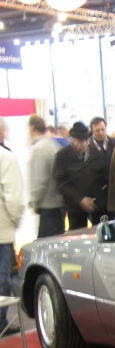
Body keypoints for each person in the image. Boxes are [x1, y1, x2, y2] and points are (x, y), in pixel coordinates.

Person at [54, 122, 109, 230]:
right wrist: (80, 199)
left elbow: (103, 176)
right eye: (80, 141)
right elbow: (62, 183)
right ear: (72, 139)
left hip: (97, 206)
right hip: (75, 208)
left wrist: (98, 197)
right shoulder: (62, 156)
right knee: (77, 237)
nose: (84, 144)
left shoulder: (96, 153)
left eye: (86, 140)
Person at [0, 136, 23, 334]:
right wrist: (16, 221)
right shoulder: (5, 158)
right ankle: (0, 323)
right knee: (2, 279)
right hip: (2, 232)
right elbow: (13, 198)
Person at [27, 115, 63, 238]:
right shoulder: (53, 145)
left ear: (32, 128)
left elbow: (40, 181)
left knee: (45, 247)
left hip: (48, 208)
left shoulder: (39, 149)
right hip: (58, 207)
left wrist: (34, 203)